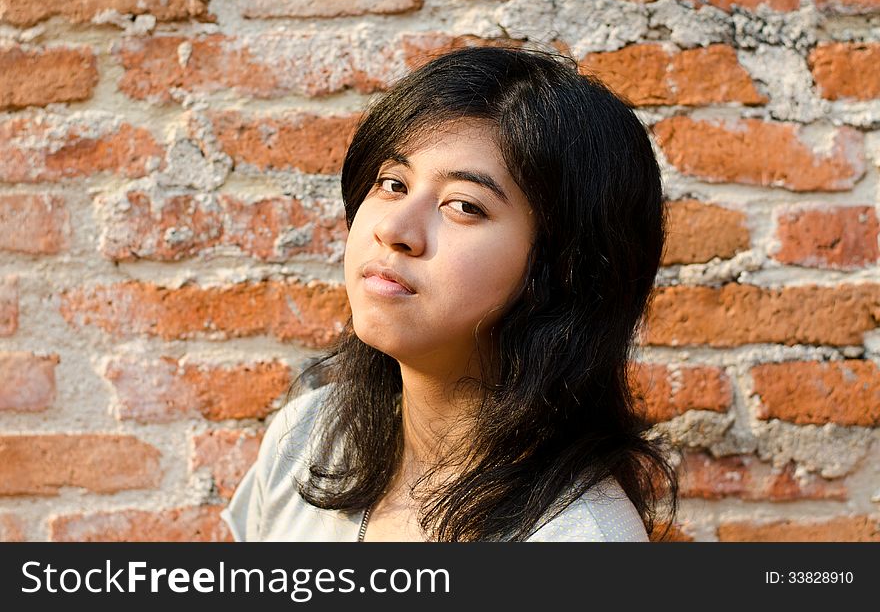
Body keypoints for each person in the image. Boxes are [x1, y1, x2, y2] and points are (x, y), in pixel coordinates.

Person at [221, 46, 679, 542]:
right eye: (393, 183)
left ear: (562, 266)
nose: (395, 228)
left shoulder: (578, 539)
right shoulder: (309, 437)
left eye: (463, 205)